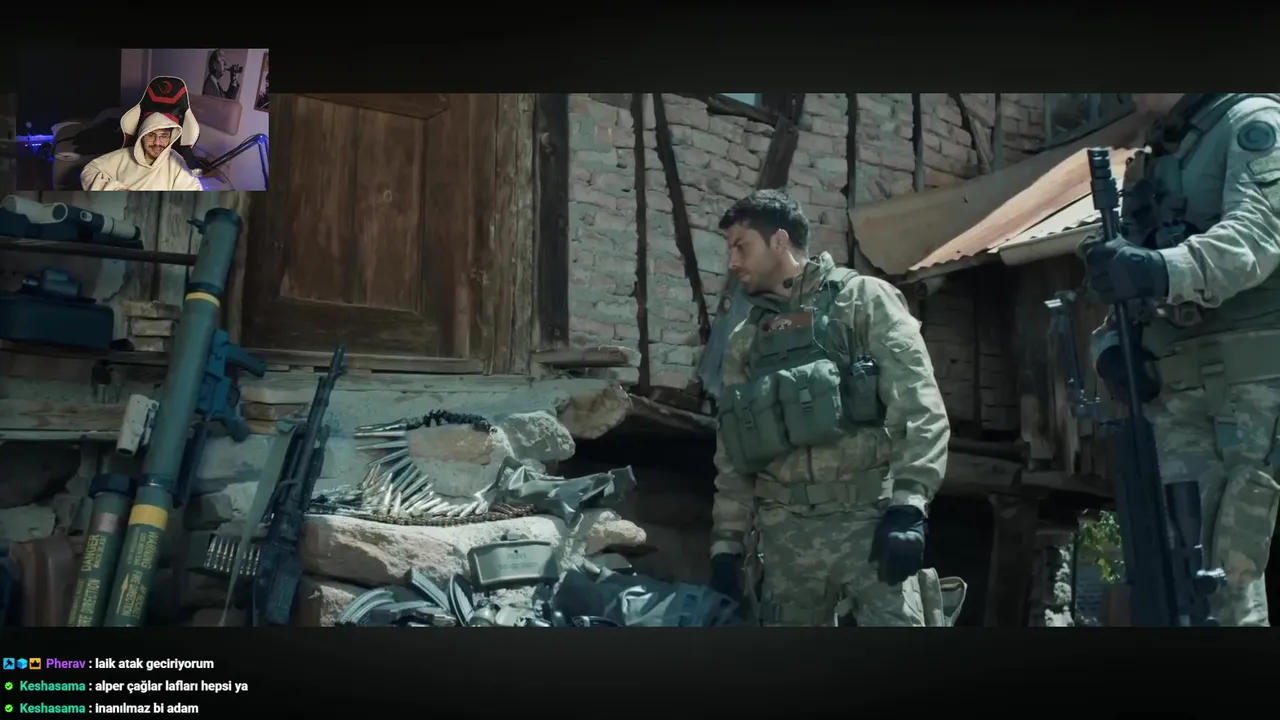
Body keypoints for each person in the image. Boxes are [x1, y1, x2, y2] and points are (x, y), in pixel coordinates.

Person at [707, 189, 951, 627]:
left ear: (779, 241)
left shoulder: (863, 300)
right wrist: (727, 546)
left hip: (868, 526)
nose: (733, 262)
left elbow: (919, 404)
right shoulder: (746, 339)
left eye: (741, 246)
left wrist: (910, 504)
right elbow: (734, 451)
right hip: (784, 542)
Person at [1085, 93, 1280, 626]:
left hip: (1253, 392)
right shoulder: (1161, 154)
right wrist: (1110, 348)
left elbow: (1259, 235)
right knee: (1189, 589)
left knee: (1234, 575)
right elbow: (1127, 276)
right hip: (1178, 397)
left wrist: (1160, 269)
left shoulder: (1254, 123)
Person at [80, 112, 203, 191]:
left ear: (170, 138)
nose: (157, 142)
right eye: (151, 135)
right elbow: (89, 170)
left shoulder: (177, 163)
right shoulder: (124, 156)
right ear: (142, 136)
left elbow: (193, 190)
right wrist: (115, 189)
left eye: (164, 136)